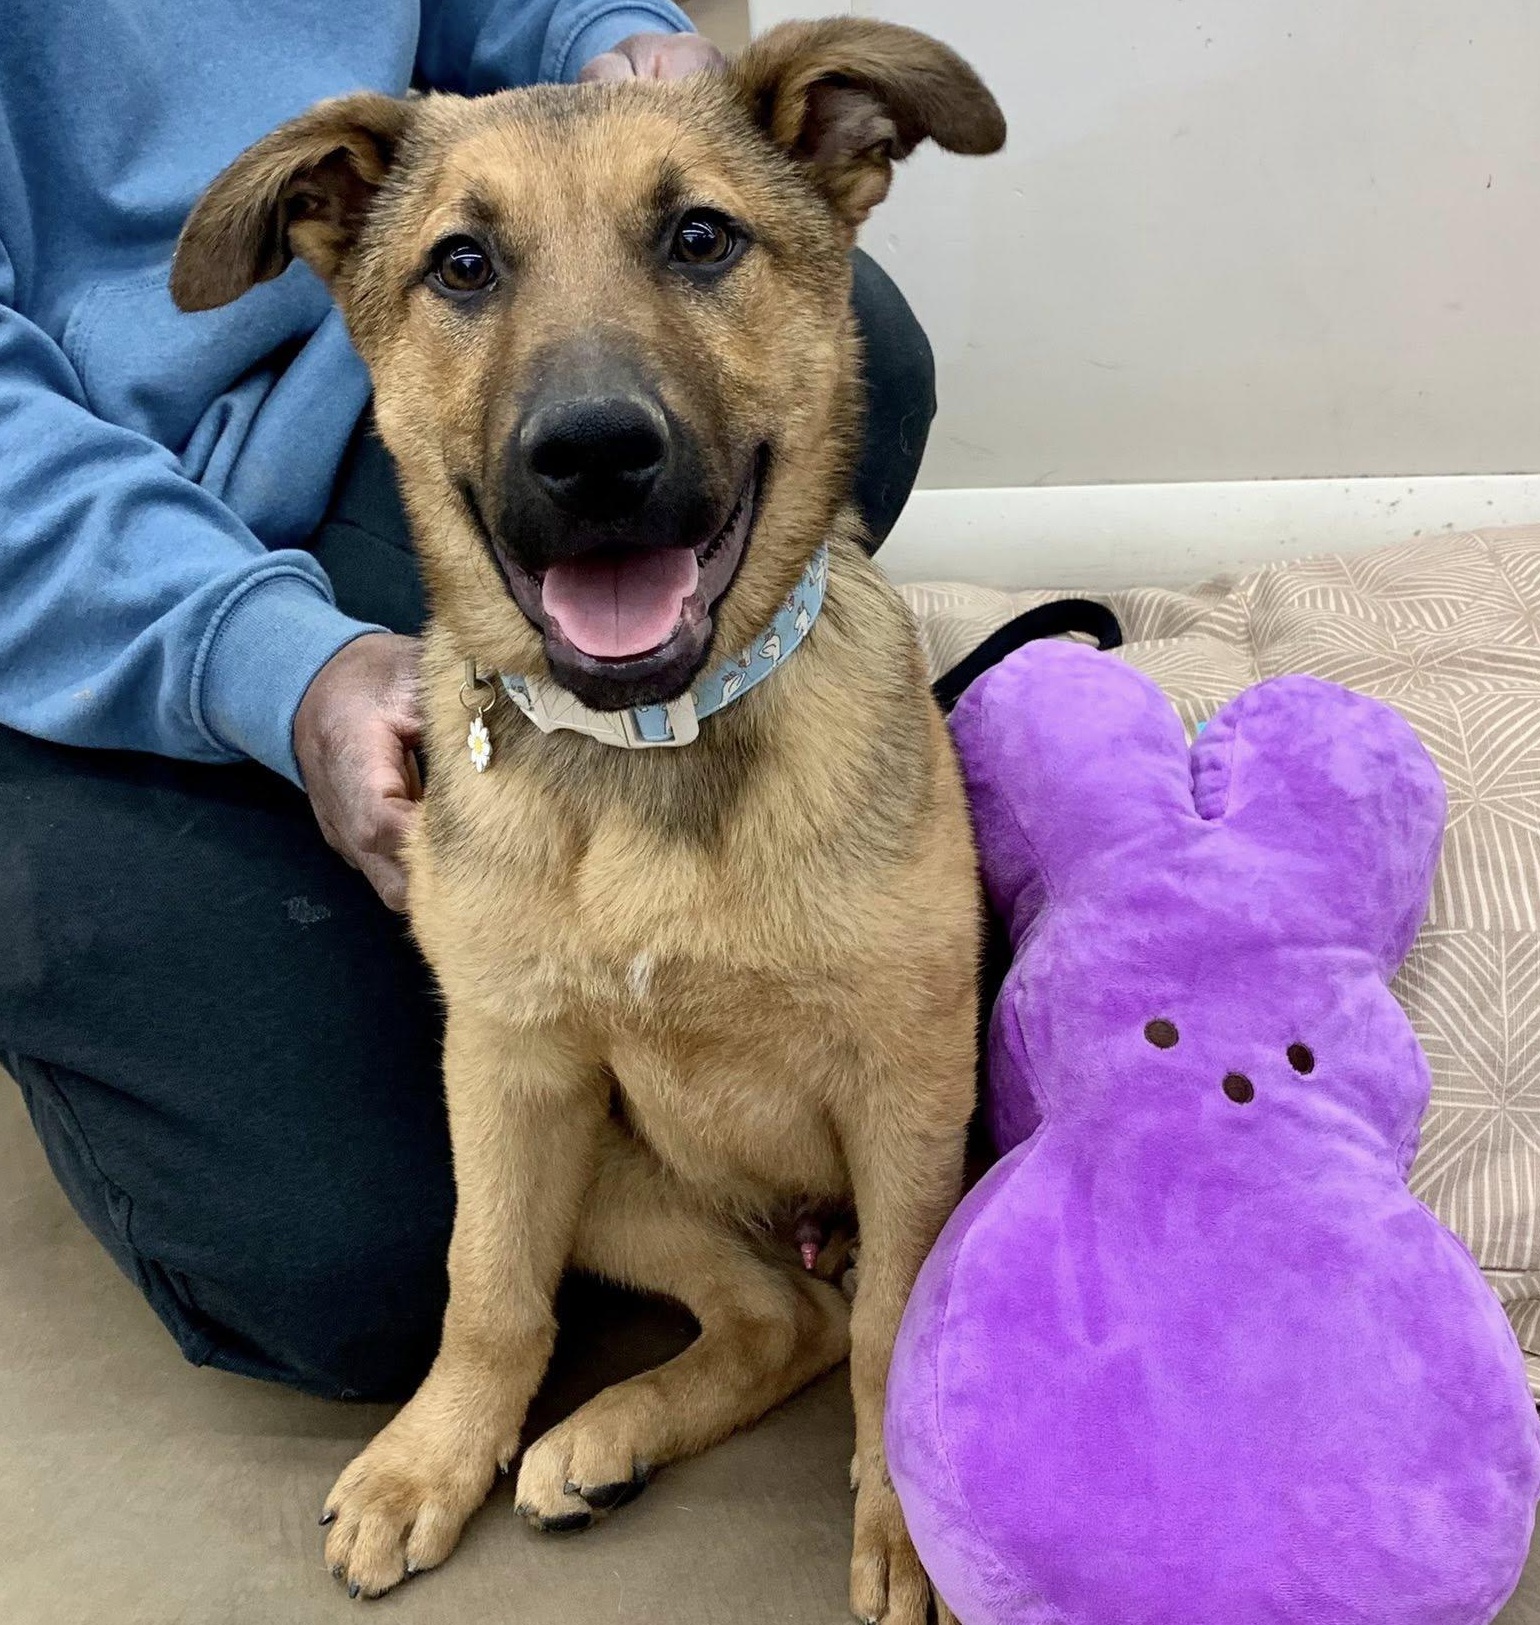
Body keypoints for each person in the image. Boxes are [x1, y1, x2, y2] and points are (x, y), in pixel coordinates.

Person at [0, 2, 938, 1399]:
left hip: (347, 409)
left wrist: (615, 40)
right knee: (344, 1260)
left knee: (842, 334)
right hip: (59, 560)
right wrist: (269, 660)